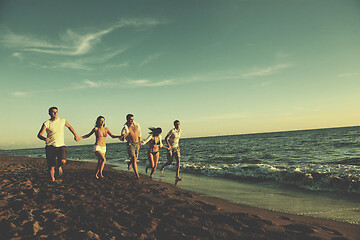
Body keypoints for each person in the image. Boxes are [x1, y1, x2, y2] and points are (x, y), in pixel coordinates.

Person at [37, 107, 80, 181]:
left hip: (61, 145)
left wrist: (75, 135)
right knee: (51, 166)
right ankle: (52, 180)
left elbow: (69, 126)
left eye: (56, 112)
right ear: (50, 113)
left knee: (63, 161)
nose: (55, 113)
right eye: (53, 112)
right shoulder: (47, 123)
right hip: (50, 146)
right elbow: (39, 135)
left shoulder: (62, 121)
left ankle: (59, 166)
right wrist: (45, 138)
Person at [120, 114, 141, 179]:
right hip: (130, 144)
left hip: (137, 143)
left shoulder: (137, 125)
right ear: (127, 119)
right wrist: (124, 137)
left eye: (133, 119)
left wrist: (139, 142)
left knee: (135, 159)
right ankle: (137, 175)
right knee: (134, 159)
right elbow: (122, 138)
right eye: (130, 119)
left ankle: (129, 163)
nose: (132, 121)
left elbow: (139, 134)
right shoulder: (125, 128)